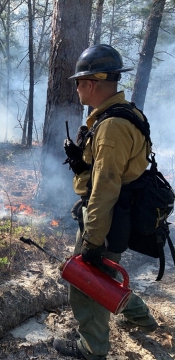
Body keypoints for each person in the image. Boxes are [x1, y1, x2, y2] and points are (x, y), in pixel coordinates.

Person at [53, 44, 158, 360]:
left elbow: (105, 188)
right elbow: (108, 169)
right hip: (117, 213)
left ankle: (92, 348)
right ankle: (144, 319)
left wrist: (92, 241)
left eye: (78, 81)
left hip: (107, 216)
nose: (77, 87)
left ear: (91, 83)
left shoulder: (112, 126)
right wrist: (81, 162)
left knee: (86, 283)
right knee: (106, 277)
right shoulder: (121, 114)